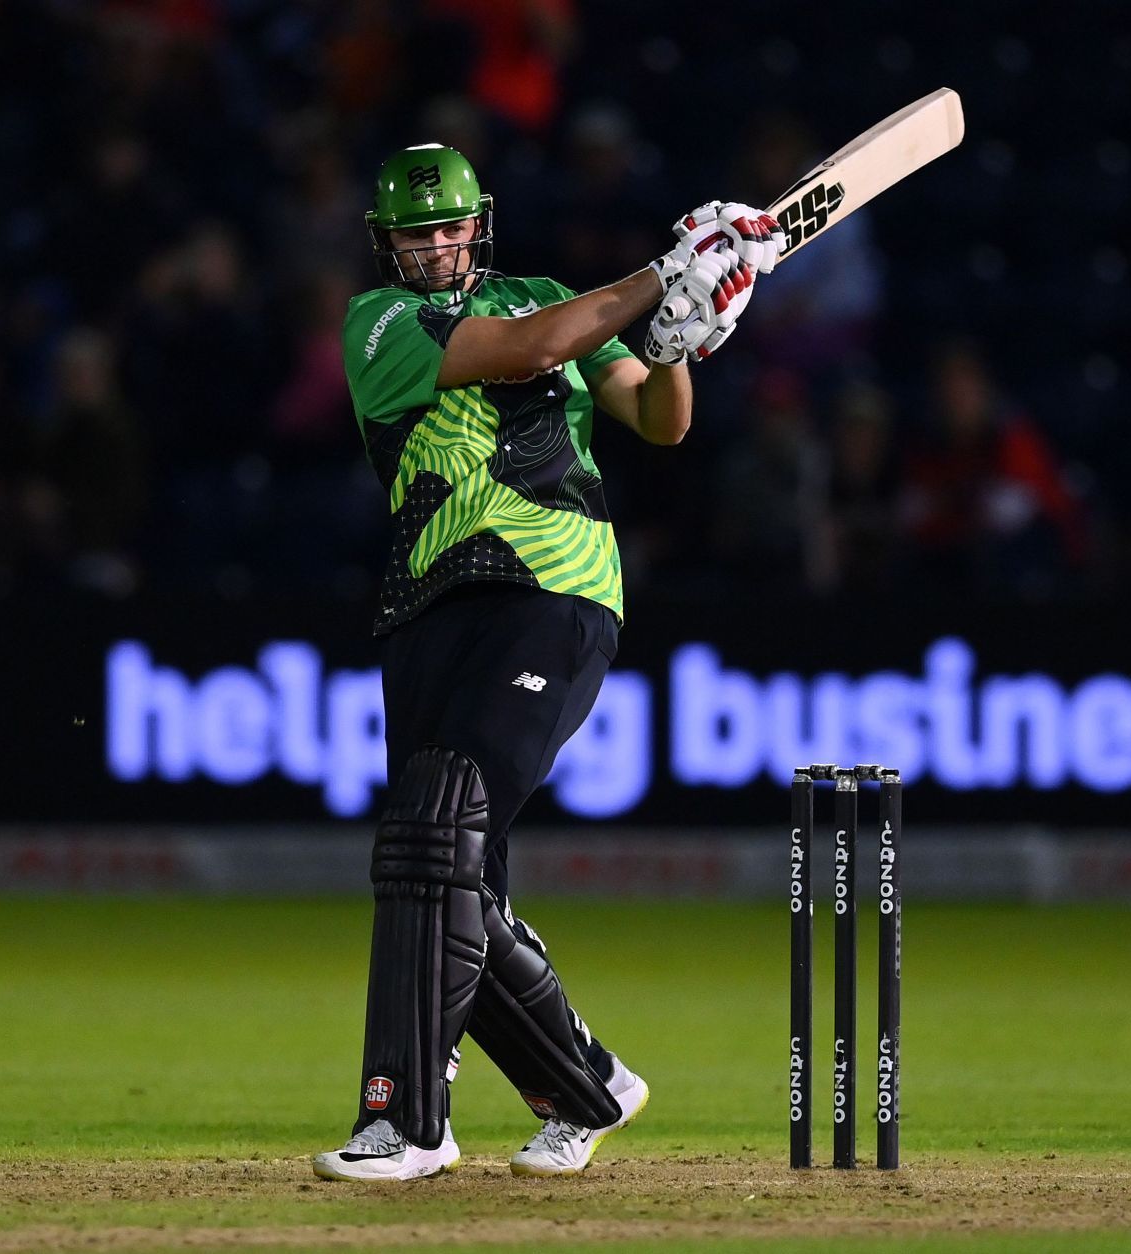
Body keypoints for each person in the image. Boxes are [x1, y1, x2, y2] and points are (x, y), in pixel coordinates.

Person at [312, 144, 781, 1182]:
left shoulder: (557, 299)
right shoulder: (378, 324)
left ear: (480, 225)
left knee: (437, 832)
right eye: (414, 235)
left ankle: (407, 1125)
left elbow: (658, 422)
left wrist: (679, 340)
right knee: (442, 869)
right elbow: (526, 350)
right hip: (428, 602)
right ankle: (587, 1086)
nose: (435, 248)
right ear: (387, 245)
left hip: (556, 591)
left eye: (449, 229)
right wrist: (664, 276)